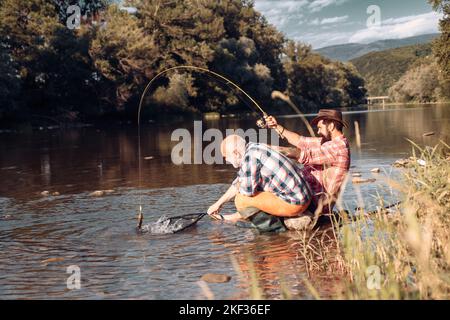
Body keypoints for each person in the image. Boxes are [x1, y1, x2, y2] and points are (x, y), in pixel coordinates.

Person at [265, 109, 351, 229]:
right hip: (307, 197)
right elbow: (300, 140)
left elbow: (303, 155)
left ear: (331, 126)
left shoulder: (338, 147)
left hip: (315, 205)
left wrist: (268, 149)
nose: (318, 131)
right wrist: (277, 127)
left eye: (320, 127)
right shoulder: (327, 142)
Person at [207, 134, 312, 231]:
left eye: (226, 156)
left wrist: (234, 214)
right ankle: (238, 217)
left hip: (296, 203)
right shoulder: (254, 147)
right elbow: (239, 181)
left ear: (236, 153)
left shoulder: (250, 158)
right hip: (304, 196)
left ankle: (274, 228)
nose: (226, 160)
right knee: (249, 192)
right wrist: (218, 204)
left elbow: (247, 193)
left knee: (241, 200)